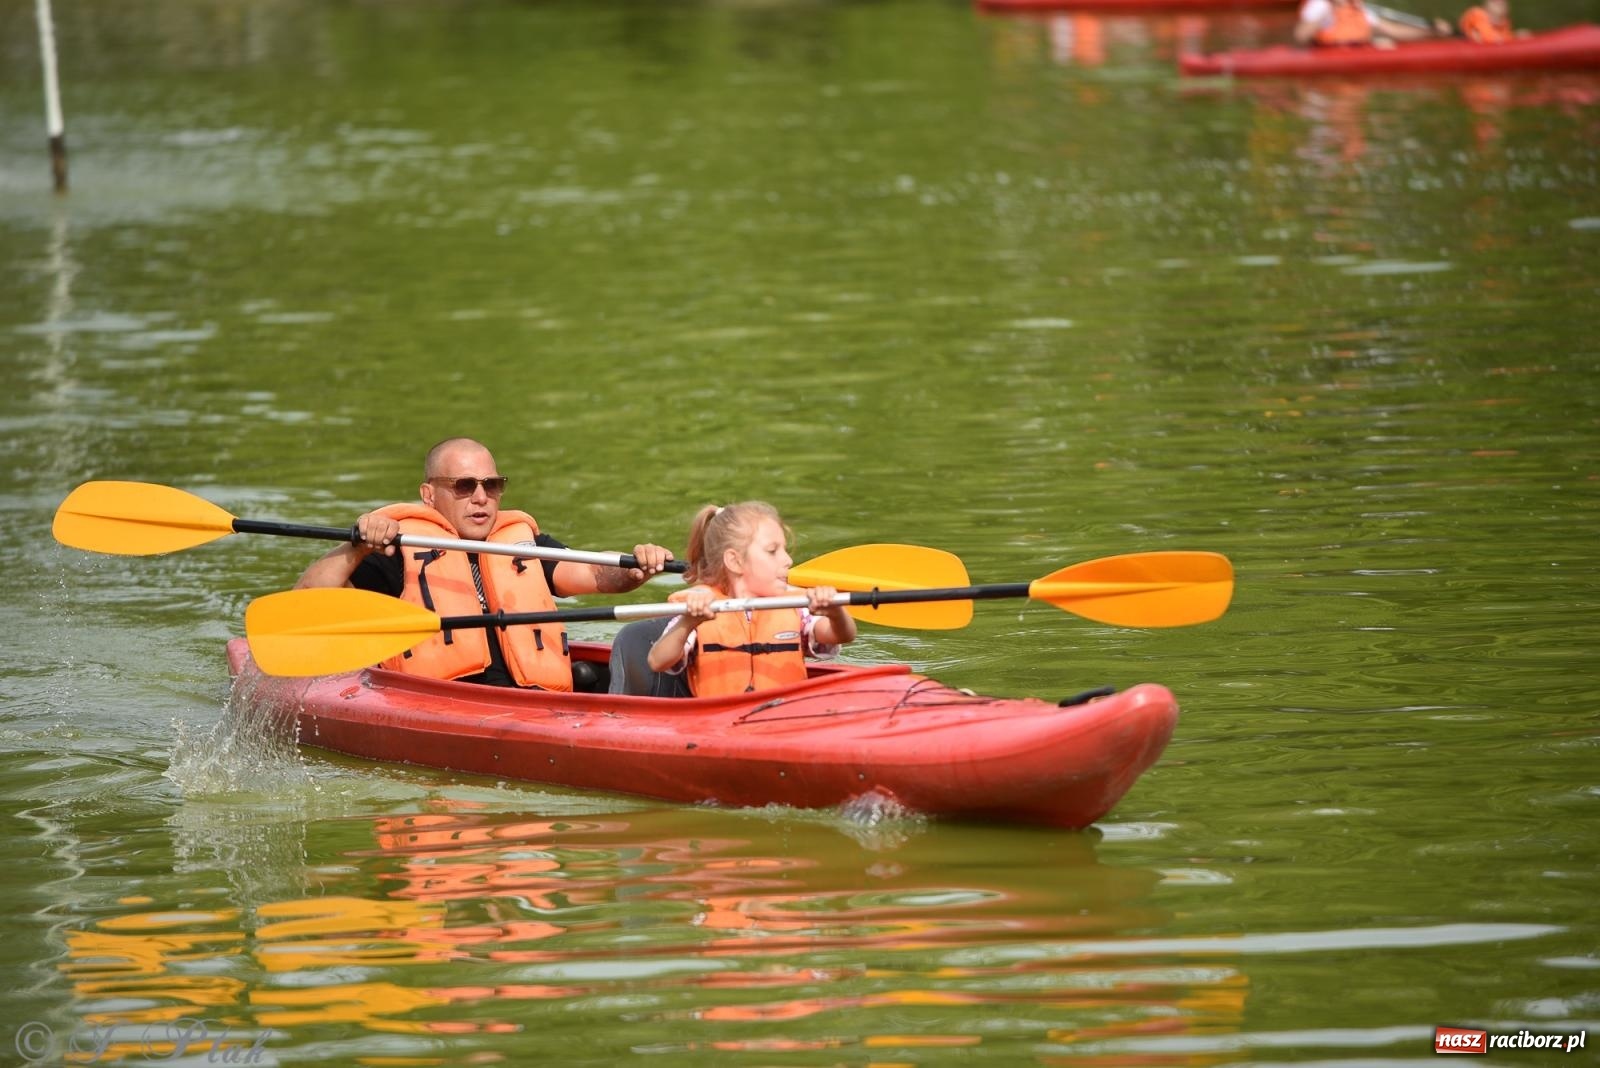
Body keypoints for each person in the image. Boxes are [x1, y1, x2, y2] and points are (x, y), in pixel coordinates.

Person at [296, 437, 673, 692]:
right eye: (464, 485)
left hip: (539, 702)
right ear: (429, 494)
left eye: (491, 485)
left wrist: (635, 567)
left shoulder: (525, 545)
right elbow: (309, 604)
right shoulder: (397, 552)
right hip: (447, 703)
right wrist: (357, 548)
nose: (480, 497)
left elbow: (594, 573)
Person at [613, 502, 857, 698]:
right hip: (720, 723)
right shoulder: (701, 605)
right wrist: (688, 622)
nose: (788, 560)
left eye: (784, 549)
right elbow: (657, 661)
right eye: (773, 551)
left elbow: (842, 635)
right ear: (735, 561)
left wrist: (835, 612)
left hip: (784, 718)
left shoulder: (794, 606)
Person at [1294, 0, 1450, 48]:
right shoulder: (1320, 5)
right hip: (1328, 56)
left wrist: (1431, 31)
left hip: (1356, 57)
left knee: (1385, 43)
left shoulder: (1356, 8)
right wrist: (1328, 9)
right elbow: (1300, 36)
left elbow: (1393, 30)